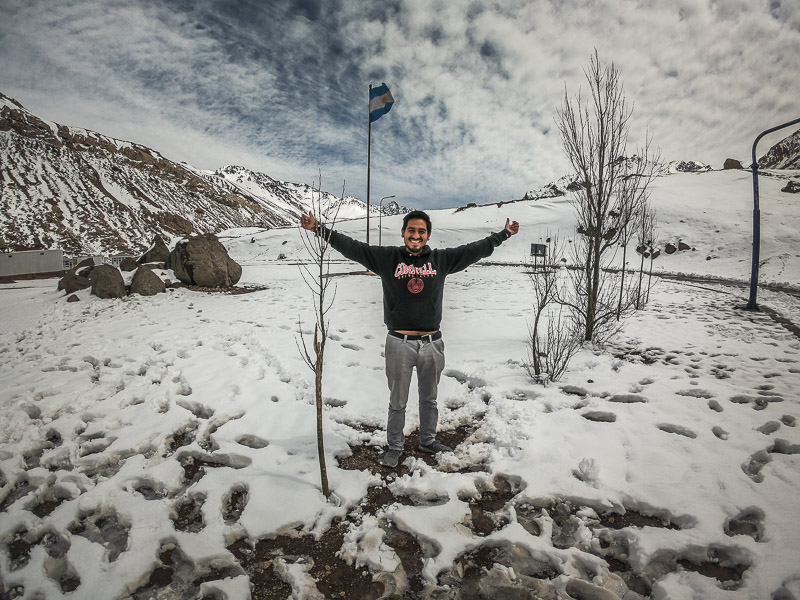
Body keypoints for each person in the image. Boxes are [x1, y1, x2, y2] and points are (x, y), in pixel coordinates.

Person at [300, 210, 519, 467]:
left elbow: (473, 250)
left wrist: (503, 235)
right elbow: (352, 247)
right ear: (403, 232)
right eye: (411, 230)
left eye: (421, 231)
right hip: (398, 343)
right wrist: (319, 229)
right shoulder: (387, 259)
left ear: (428, 235)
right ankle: (394, 446)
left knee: (429, 398)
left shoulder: (441, 260)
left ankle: (427, 441)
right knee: (398, 400)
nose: (416, 235)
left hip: (432, 343)